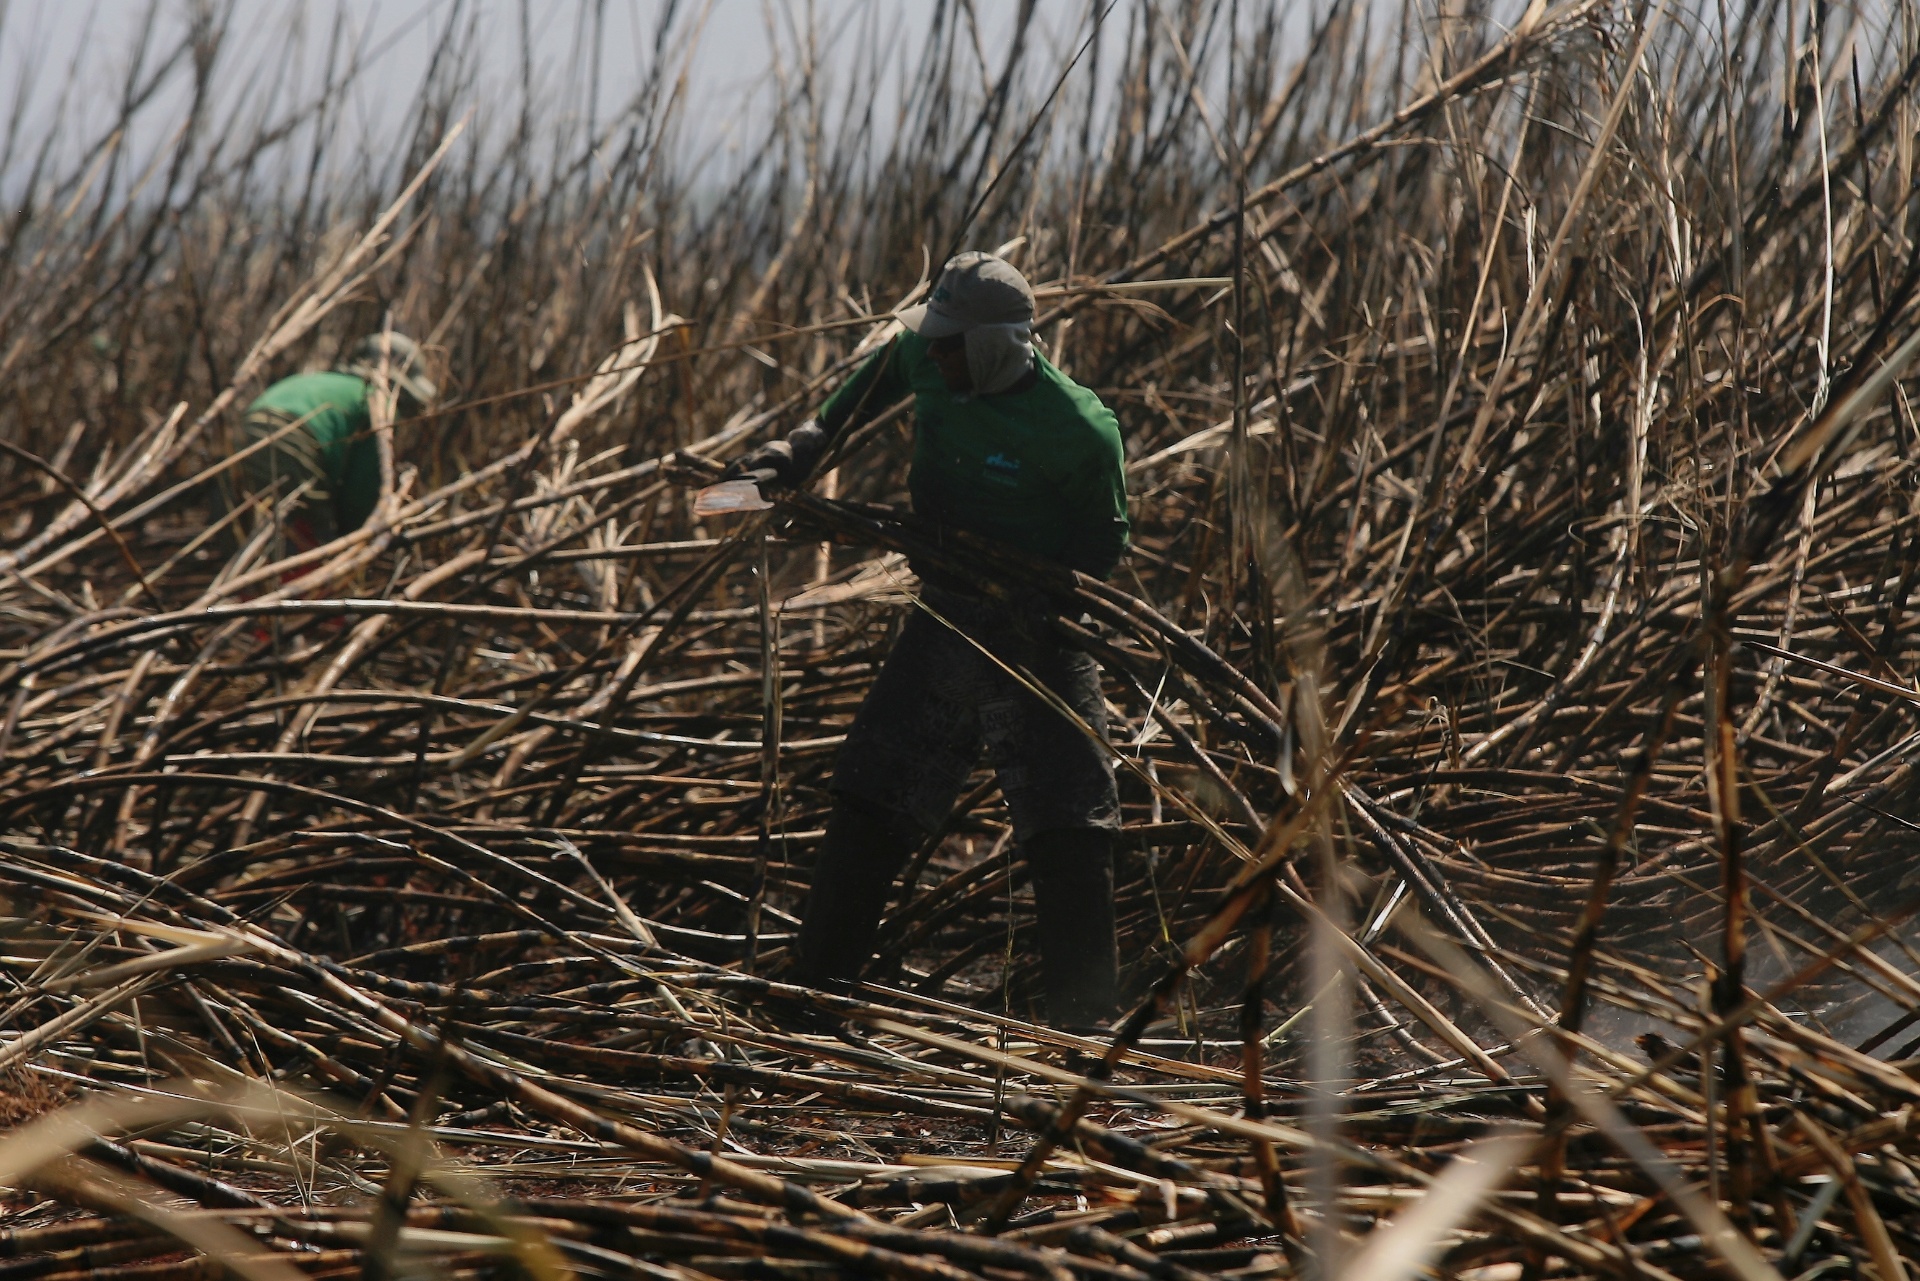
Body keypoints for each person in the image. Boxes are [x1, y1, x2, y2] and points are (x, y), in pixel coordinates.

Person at [726, 252, 1130, 1029]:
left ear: (997, 346)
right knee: (871, 792)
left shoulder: (1080, 431)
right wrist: (798, 450)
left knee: (1072, 821)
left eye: (950, 345)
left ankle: (1085, 1033)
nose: (934, 354)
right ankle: (818, 997)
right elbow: (852, 403)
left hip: (1040, 630)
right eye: (932, 340)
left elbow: (1101, 548)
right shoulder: (927, 353)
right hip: (947, 610)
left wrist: (1041, 599)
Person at [223, 332, 438, 554]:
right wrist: (356, 539)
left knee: (240, 533)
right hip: (291, 446)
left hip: (245, 435)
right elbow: (360, 493)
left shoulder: (320, 380)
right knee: (306, 542)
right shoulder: (377, 403)